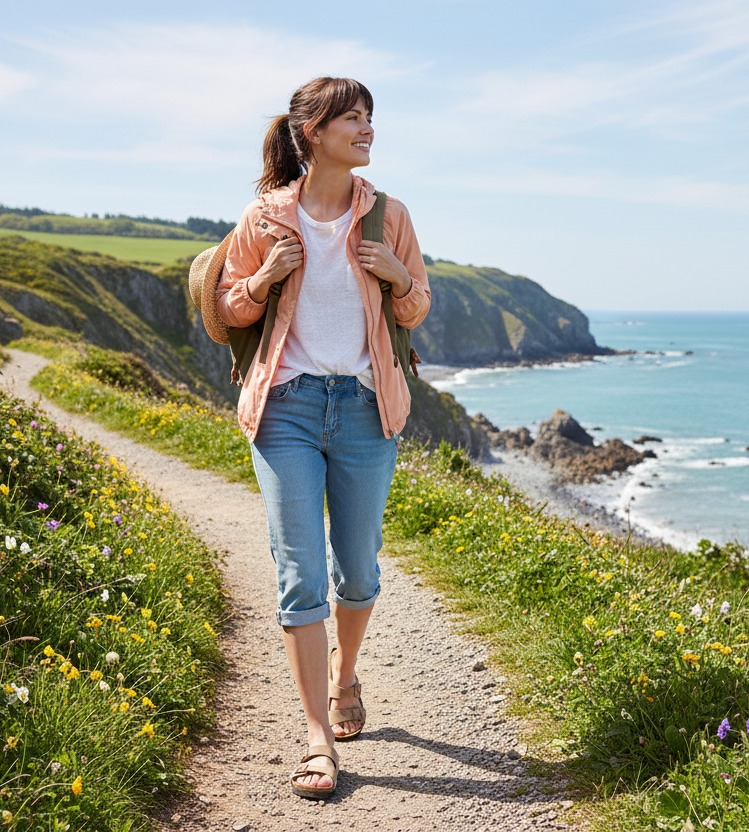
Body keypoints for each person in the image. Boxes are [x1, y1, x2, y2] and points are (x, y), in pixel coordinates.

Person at [214, 77, 430, 799]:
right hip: (287, 409)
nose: (367, 130)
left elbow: (418, 303)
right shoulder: (266, 217)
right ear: (313, 132)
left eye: (370, 118)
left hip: (367, 408)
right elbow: (227, 307)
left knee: (359, 570)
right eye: (353, 119)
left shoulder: (389, 215)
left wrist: (399, 277)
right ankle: (315, 739)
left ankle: (345, 679)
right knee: (298, 572)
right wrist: (263, 277)